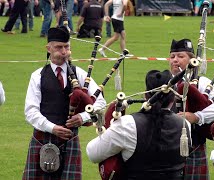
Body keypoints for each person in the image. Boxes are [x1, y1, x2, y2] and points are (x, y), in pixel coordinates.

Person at [22, 26, 106, 179]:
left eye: (66, 47)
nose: (63, 51)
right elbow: (30, 111)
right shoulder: (38, 76)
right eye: (58, 47)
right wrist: (52, 128)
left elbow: (99, 101)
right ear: (48, 48)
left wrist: (83, 117)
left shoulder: (80, 74)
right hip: (42, 139)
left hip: (70, 140)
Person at [86, 69, 191, 179]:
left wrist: (109, 127)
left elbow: (92, 153)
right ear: (173, 98)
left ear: (146, 95)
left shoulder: (127, 125)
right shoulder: (185, 125)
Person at [169, 38, 214, 180]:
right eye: (172, 56)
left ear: (191, 60)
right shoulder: (164, 82)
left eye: (181, 56)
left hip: (194, 148)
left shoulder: (202, 82)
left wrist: (197, 117)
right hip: (166, 149)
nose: (175, 60)